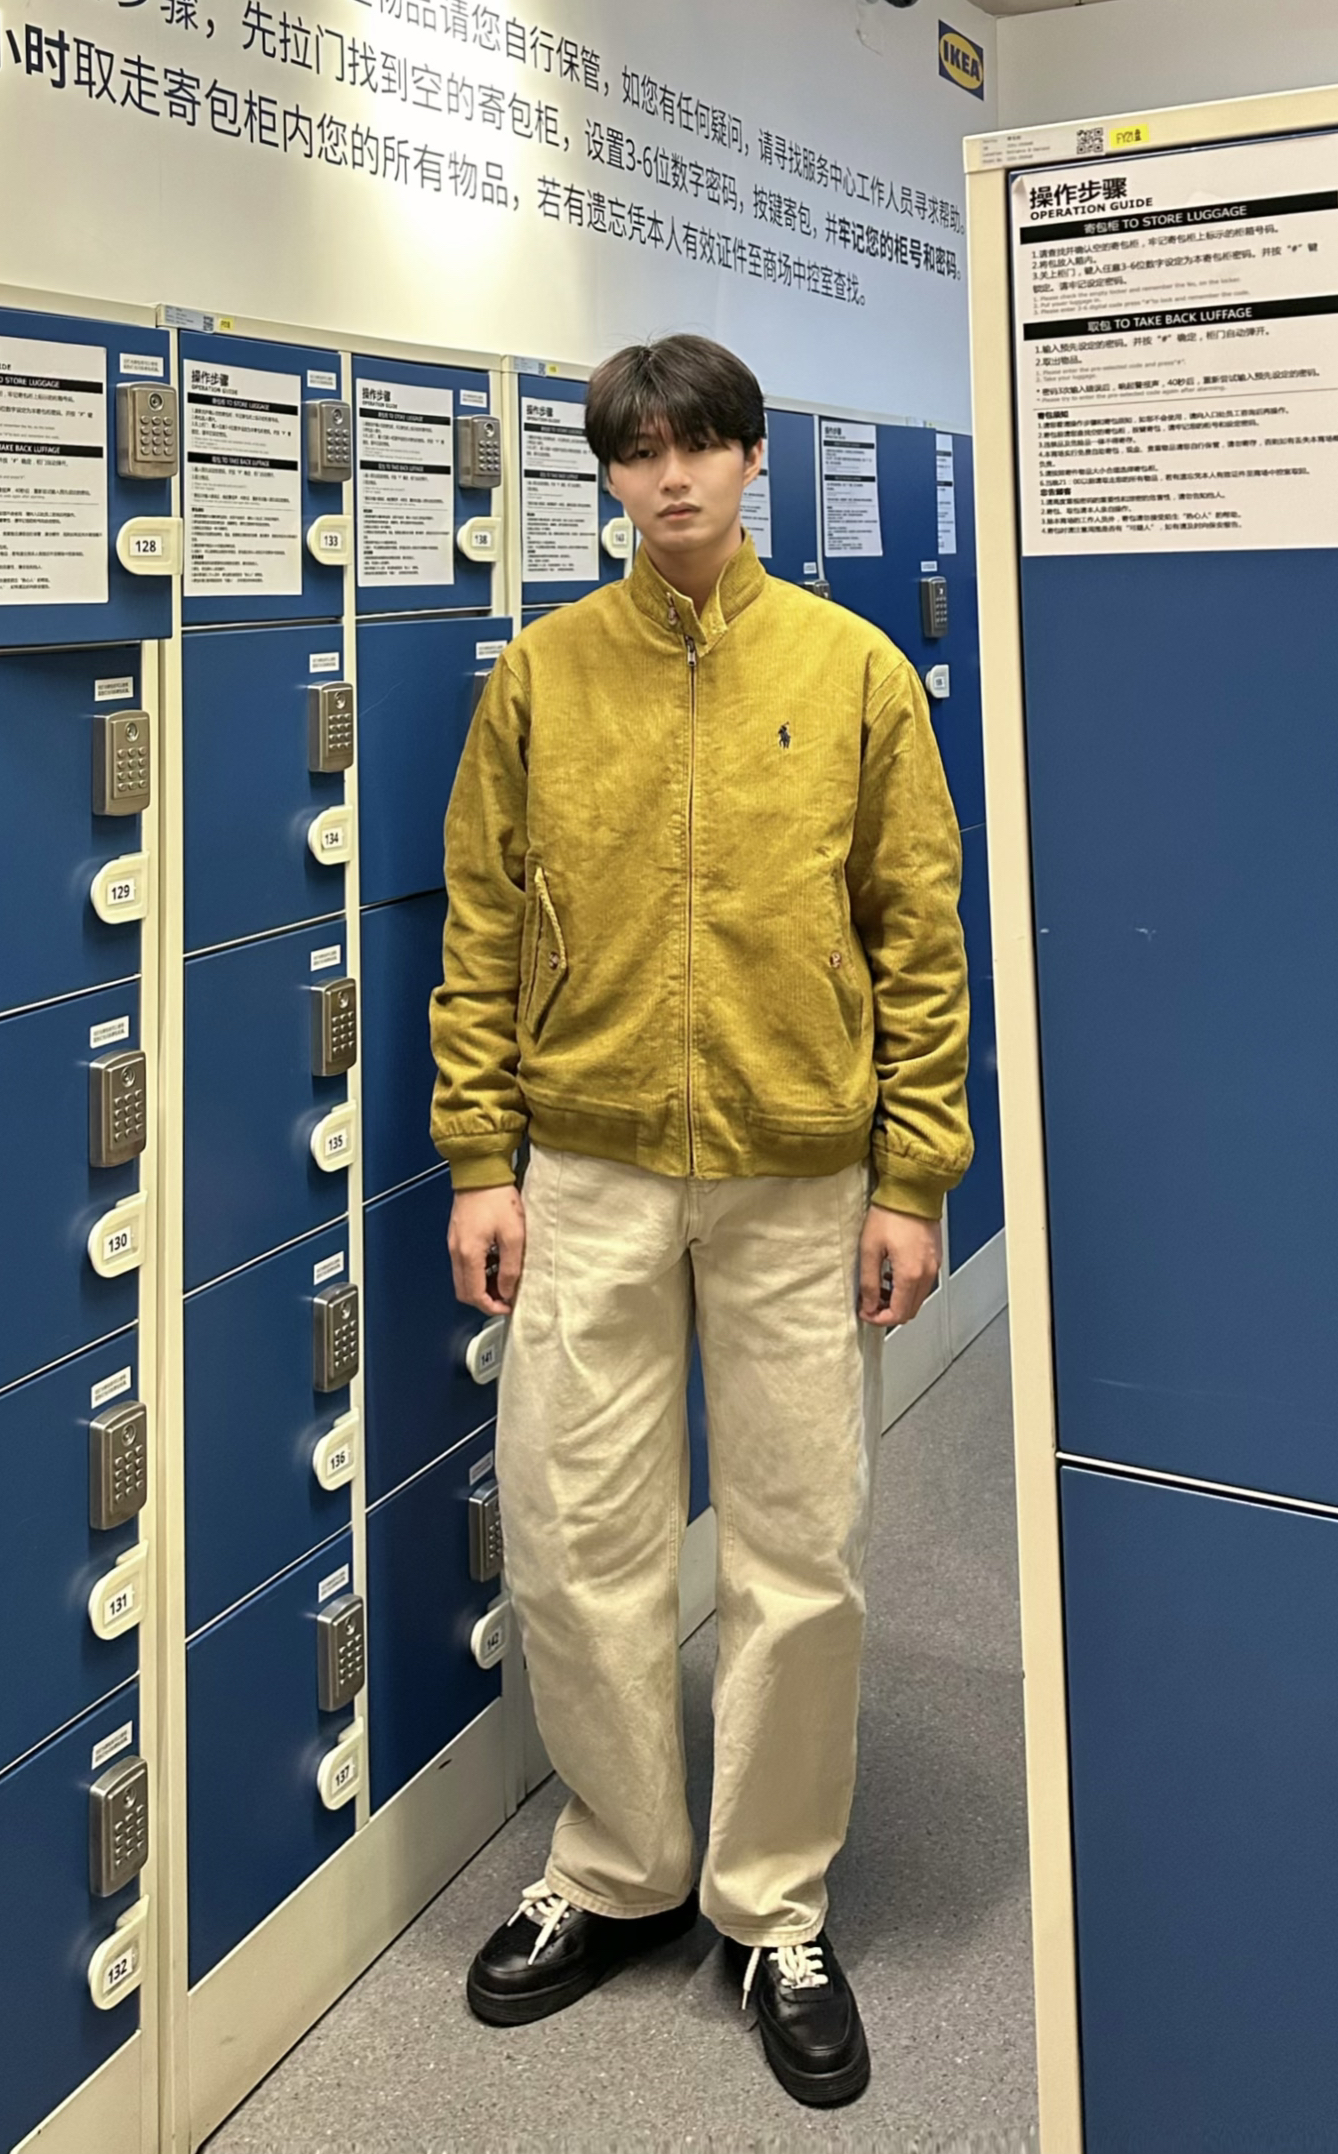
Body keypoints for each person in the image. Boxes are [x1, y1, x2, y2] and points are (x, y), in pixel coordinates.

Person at [430, 333, 971, 2110]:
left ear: (750, 461)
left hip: (800, 1171)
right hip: (585, 1168)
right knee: (570, 1534)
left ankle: (771, 1904)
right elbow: (481, 928)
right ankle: (619, 1868)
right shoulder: (542, 675)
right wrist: (480, 1158)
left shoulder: (851, 666)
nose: (668, 479)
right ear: (605, 474)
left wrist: (913, 1177)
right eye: (636, 452)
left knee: (797, 1548)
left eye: (698, 447)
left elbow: (916, 938)